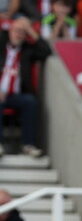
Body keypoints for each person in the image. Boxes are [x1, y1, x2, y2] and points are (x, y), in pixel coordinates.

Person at [0, 18, 50, 158]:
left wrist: (31, 31)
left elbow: (46, 51)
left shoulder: (28, 50)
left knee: (30, 101)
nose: (18, 34)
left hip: (16, 95)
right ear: (9, 31)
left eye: (22, 32)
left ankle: (28, 145)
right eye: (16, 30)